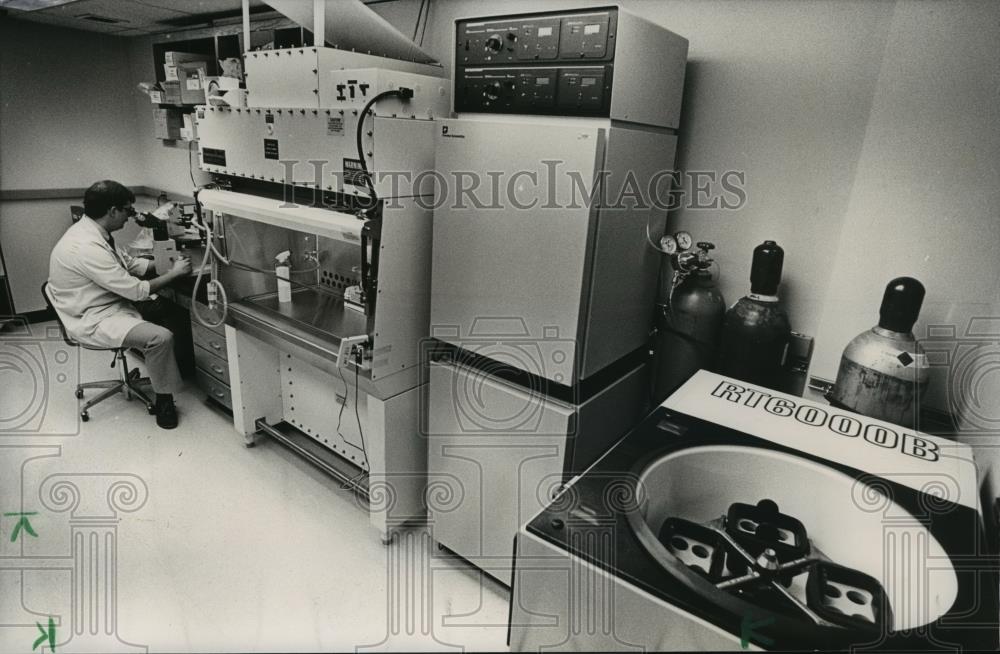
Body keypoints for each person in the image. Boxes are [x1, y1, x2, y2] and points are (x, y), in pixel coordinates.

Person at [47, 180, 192, 429]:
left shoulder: (94, 231)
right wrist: (174, 274)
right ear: (113, 211)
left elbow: (129, 265)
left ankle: (176, 368)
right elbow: (137, 290)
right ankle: (165, 400)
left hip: (104, 302)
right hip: (93, 317)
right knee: (161, 337)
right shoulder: (86, 246)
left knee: (170, 309)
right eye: (127, 210)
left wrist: (164, 263)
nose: (129, 217)